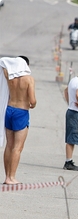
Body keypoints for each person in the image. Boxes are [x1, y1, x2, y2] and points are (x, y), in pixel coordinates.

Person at [1, 56, 36, 185]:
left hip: (9, 110)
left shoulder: (9, 77)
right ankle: (12, 177)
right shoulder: (29, 79)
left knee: (9, 145)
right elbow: (32, 100)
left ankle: (6, 176)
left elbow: (3, 62)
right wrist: (34, 104)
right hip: (21, 112)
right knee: (18, 147)